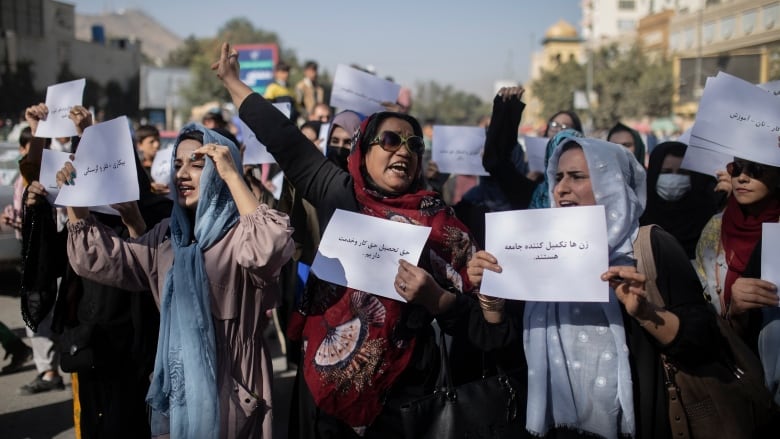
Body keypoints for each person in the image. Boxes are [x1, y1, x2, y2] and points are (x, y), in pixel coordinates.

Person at [214, 42, 477, 437]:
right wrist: (234, 84)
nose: (402, 151)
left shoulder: (440, 222)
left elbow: (479, 319)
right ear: (363, 149)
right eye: (390, 141)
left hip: (406, 398)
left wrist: (436, 299)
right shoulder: (342, 194)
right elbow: (286, 141)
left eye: (413, 145)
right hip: (326, 397)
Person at [466, 137, 722, 438]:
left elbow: (702, 340)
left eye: (577, 177)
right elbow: (507, 352)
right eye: (558, 177)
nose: (561, 189)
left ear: (611, 183)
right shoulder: (533, 253)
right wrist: (492, 297)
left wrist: (644, 312)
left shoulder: (648, 248)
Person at [57, 122, 294, 438]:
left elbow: (271, 246)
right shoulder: (170, 236)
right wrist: (76, 202)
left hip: (233, 386)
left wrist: (233, 176)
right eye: (178, 164)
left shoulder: (241, 236)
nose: (183, 174)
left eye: (197, 165)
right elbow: (102, 259)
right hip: (179, 387)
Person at [26, 105, 173, 438]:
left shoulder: (160, 210)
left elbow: (152, 263)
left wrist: (134, 221)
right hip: (93, 339)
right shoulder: (86, 219)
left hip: (143, 340)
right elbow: (51, 261)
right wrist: (40, 214)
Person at [695, 158, 780, 316]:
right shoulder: (715, 227)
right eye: (736, 168)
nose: (742, 178)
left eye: (756, 169)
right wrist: (734, 313)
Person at [640, 141, 722, 260]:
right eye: (666, 172)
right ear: (654, 173)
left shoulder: (709, 218)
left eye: (682, 172)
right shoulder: (639, 217)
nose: (673, 179)